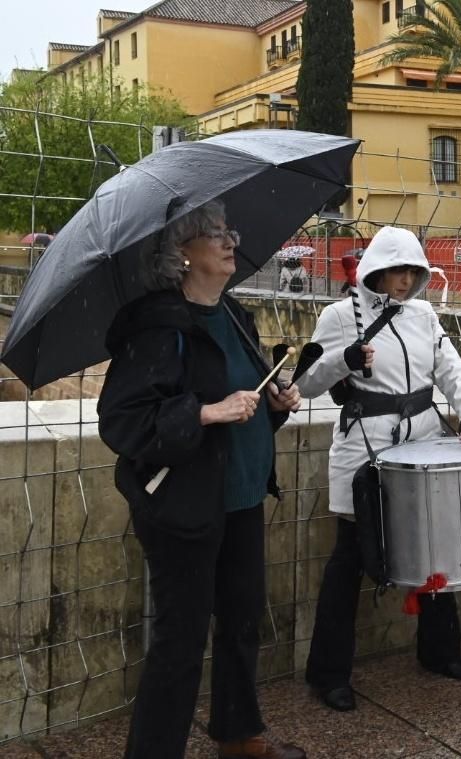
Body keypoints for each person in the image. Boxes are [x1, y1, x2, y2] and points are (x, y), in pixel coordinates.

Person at [97, 201, 306, 759]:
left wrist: (274, 404)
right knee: (181, 641)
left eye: (228, 230)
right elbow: (121, 421)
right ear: (180, 253)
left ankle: (237, 735)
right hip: (184, 506)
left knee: (241, 621)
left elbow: (246, 402)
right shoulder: (158, 327)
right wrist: (205, 412)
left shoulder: (234, 314)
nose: (229, 239)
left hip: (241, 496)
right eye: (213, 233)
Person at [296, 227, 461, 712]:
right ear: (376, 270)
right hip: (364, 446)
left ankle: (440, 650)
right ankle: (328, 673)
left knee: (434, 547)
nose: (405, 280)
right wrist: (343, 361)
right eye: (397, 271)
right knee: (349, 559)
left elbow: (451, 369)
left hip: (424, 441)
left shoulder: (424, 315)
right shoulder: (339, 316)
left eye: (412, 271)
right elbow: (305, 382)